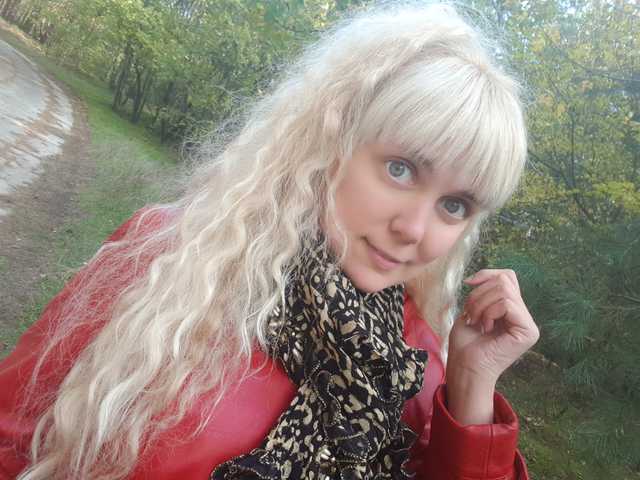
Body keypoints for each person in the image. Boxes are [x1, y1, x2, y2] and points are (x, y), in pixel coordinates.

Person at [0, 3, 539, 479]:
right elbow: (13, 435)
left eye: (454, 205)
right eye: (401, 169)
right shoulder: (176, 259)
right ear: (335, 140)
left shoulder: (413, 355)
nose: (414, 230)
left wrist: (472, 387)